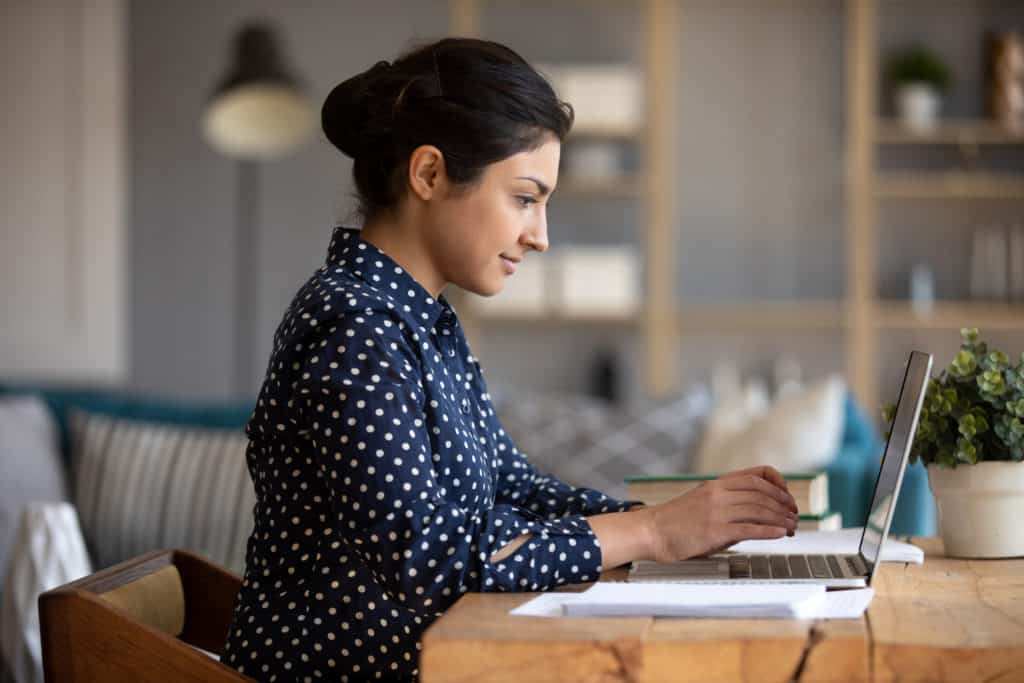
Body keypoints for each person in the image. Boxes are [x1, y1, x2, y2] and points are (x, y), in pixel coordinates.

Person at [221, 37, 799, 683]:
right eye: (525, 198)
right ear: (430, 174)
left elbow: (511, 486)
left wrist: (668, 523)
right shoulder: (352, 326)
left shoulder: (425, 323)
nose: (541, 235)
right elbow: (431, 563)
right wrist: (654, 536)